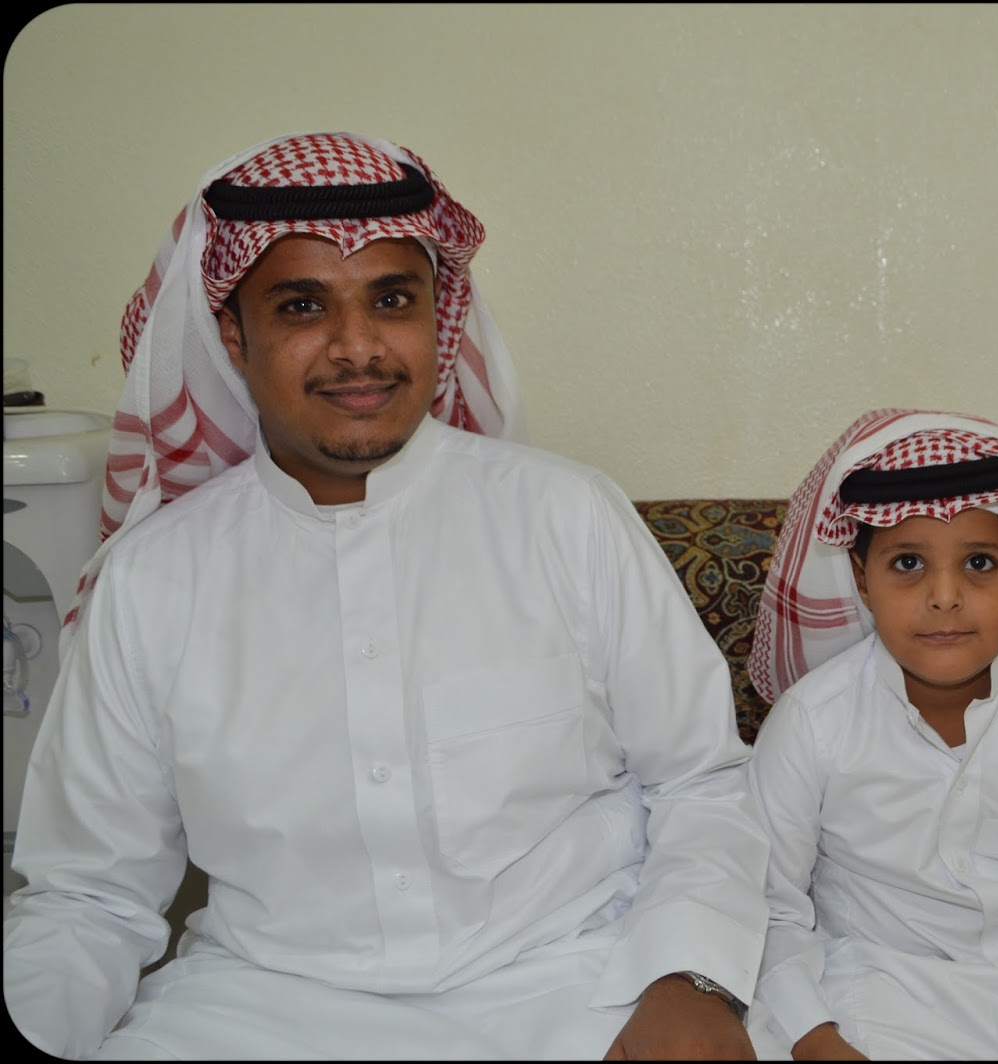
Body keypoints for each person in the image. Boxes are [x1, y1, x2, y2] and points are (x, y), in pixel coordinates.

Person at [2, 132, 770, 1060]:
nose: (357, 347)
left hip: (573, 985)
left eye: (393, 300)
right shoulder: (153, 579)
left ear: (437, 320)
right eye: (302, 306)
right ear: (235, 337)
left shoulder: (566, 516)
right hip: (260, 1009)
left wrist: (691, 977)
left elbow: (700, 783)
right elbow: (86, 896)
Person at [744, 409, 998, 1061]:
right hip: (867, 1002)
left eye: (979, 563)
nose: (945, 596)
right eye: (908, 562)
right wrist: (819, 1041)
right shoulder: (810, 721)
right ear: (861, 579)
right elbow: (767, 905)